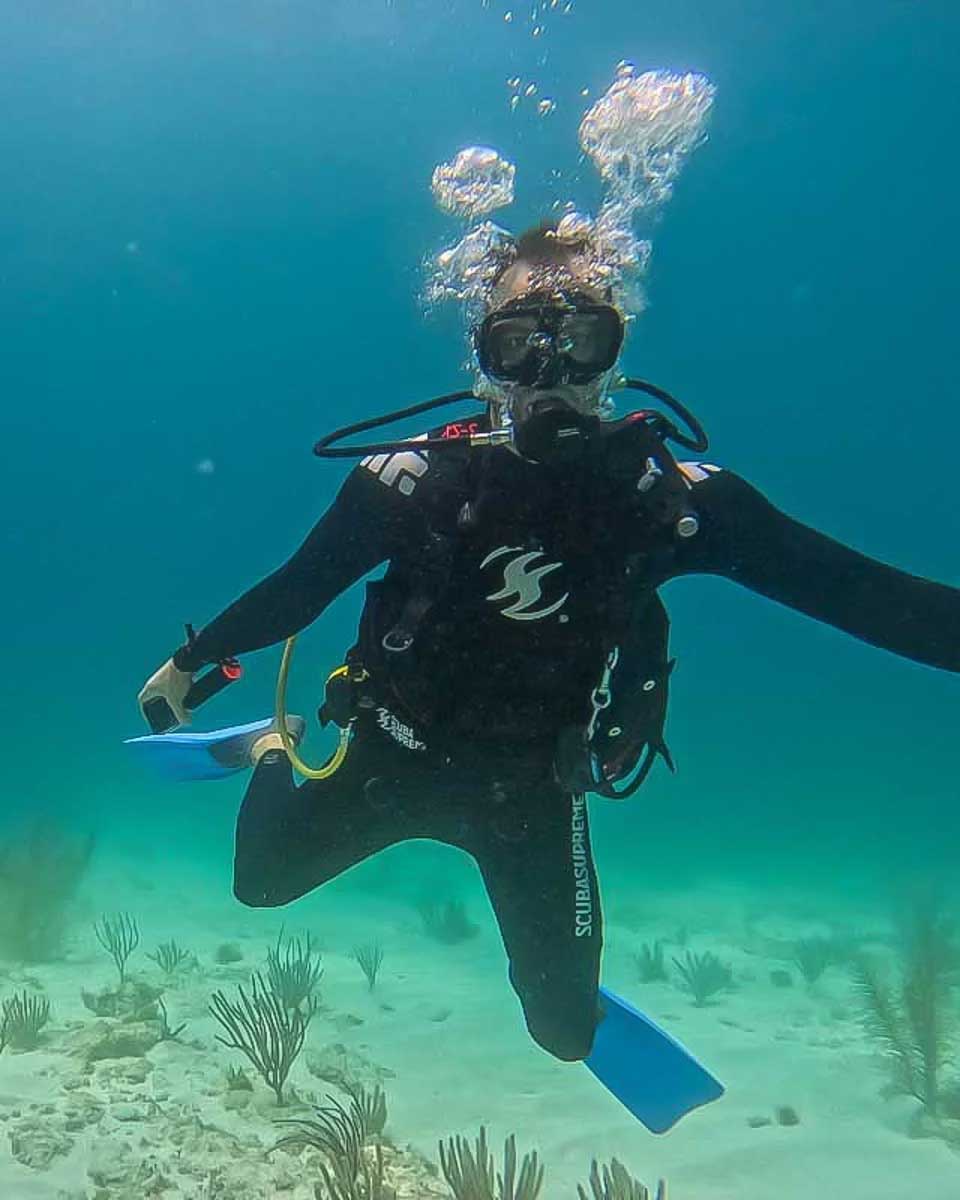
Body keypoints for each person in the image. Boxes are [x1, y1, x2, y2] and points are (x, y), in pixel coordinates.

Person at [138, 221, 960, 1069]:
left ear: (615, 354)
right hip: (390, 755)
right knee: (259, 884)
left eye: (580, 342)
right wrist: (197, 662)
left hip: (531, 791)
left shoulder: (668, 500)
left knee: (565, 1034)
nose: (548, 376)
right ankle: (277, 748)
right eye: (519, 345)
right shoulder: (412, 481)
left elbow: (869, 598)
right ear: (482, 358)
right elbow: (299, 587)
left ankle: (558, 1008)